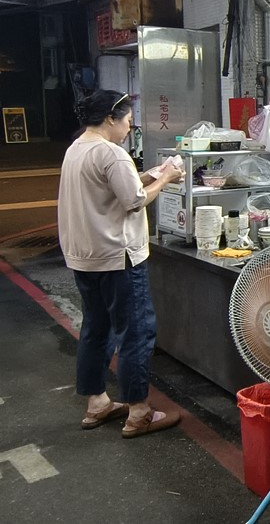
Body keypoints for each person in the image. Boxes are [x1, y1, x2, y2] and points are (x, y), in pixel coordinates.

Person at [57, 89, 186, 438]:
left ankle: (97, 403)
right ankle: (140, 411)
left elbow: (111, 191)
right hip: (119, 257)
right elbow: (134, 201)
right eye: (128, 121)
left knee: (96, 329)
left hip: (85, 258)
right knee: (136, 332)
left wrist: (150, 173)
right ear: (111, 118)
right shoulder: (111, 153)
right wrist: (167, 178)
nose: (130, 127)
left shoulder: (77, 148)